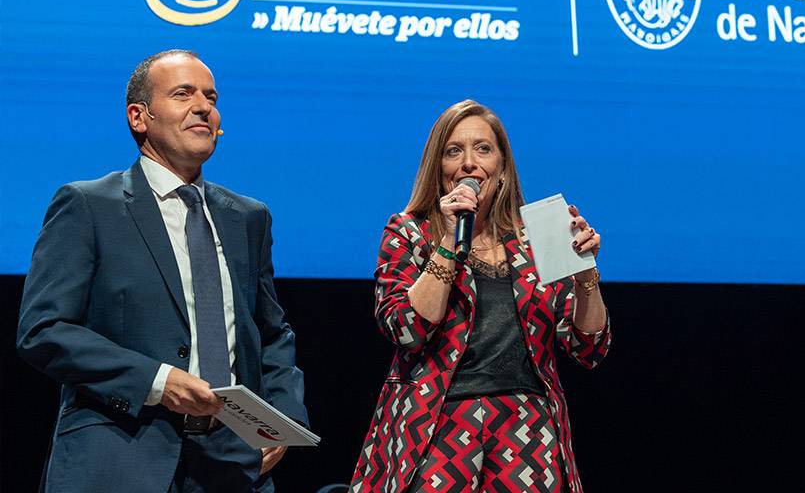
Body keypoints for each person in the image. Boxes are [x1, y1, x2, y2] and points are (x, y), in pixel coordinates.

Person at [16, 49, 308, 492]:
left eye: (211, 96)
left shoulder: (248, 217)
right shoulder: (89, 205)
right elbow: (43, 329)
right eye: (183, 94)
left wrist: (282, 419)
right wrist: (158, 381)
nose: (203, 106)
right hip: (119, 455)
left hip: (230, 466)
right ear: (140, 117)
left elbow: (270, 332)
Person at [350, 100, 611, 493]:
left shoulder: (539, 233)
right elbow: (407, 330)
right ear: (438, 170)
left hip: (528, 432)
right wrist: (448, 243)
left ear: (502, 167)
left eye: (483, 149)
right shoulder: (410, 232)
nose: (469, 163)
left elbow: (588, 347)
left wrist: (585, 274)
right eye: (454, 151)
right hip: (438, 426)